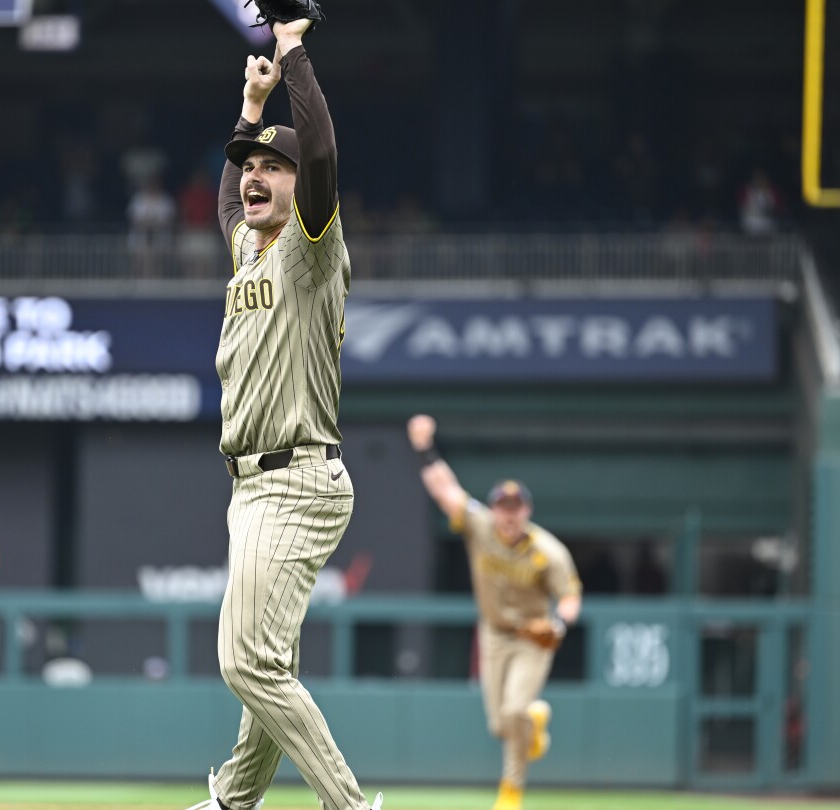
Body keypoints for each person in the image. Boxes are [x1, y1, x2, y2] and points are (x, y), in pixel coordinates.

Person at [184, 18, 381, 810]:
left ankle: (348, 806)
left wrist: (292, 47)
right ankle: (235, 800)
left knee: (246, 662)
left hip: (295, 479)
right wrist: (250, 106)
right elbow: (228, 207)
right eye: (250, 166)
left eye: (274, 166)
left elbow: (322, 152)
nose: (255, 177)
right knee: (269, 662)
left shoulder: (310, 245)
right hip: (255, 486)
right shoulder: (251, 249)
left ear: (302, 188)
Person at [406, 415, 582, 810]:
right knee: (501, 725)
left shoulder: (548, 551)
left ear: (527, 510)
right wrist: (424, 449)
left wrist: (558, 624)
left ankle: (510, 793)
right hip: (494, 633)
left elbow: (571, 596)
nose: (509, 515)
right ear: (493, 509)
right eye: (503, 506)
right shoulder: (481, 526)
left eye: (515, 507)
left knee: (514, 709)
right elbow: (445, 490)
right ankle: (535, 723)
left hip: (532, 638)